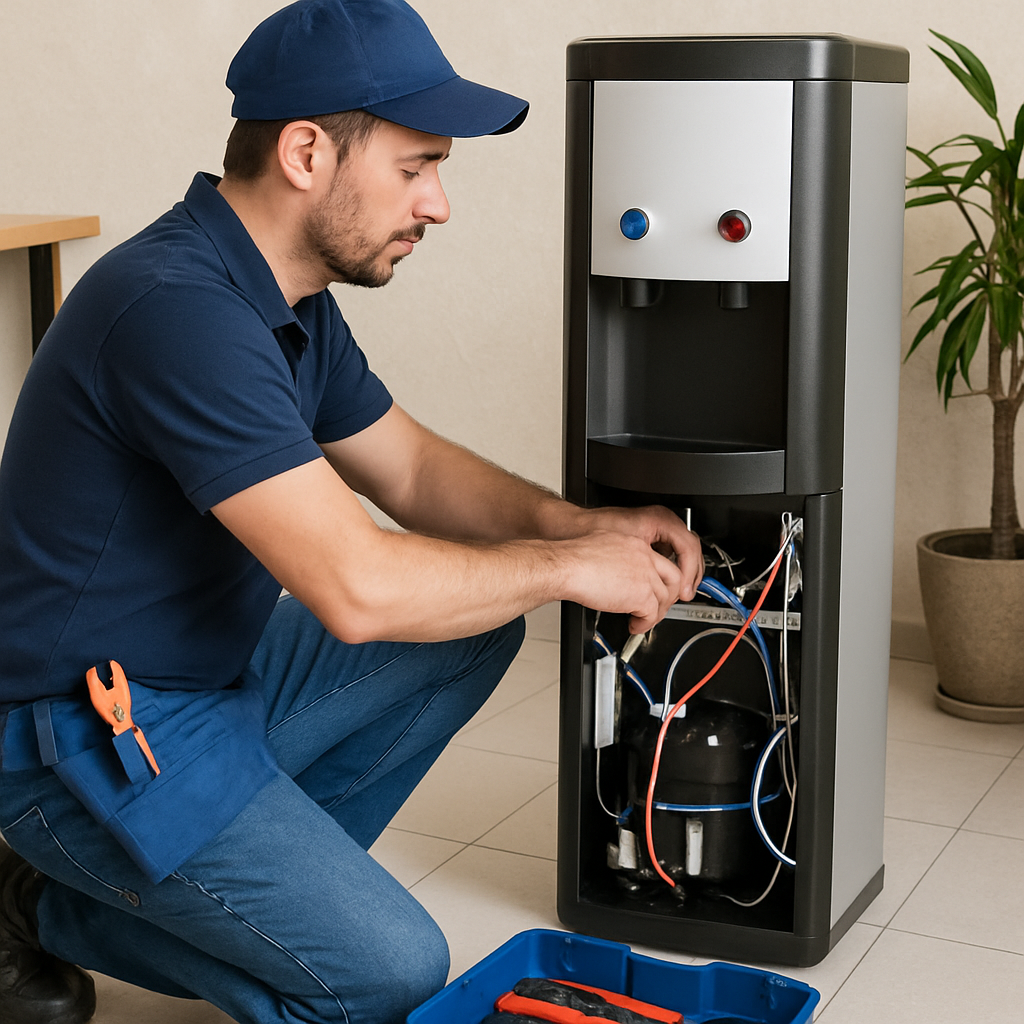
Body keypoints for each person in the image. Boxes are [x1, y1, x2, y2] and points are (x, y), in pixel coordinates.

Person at [0, 2, 702, 1023]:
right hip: (78, 736)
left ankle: (239, 891)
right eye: (415, 167)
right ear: (304, 153)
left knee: (468, 630)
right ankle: (43, 899)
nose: (439, 204)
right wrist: (565, 572)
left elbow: (410, 470)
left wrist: (577, 530)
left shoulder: (284, 299)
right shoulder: (175, 309)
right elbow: (357, 588)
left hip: (199, 685)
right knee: (389, 972)